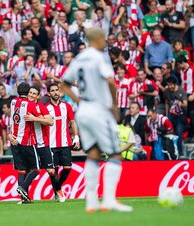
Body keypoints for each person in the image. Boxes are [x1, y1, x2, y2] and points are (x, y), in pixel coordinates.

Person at [61, 27, 133, 212]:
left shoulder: (80, 58)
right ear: (98, 39)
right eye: (103, 39)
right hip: (99, 109)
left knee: (93, 153)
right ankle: (109, 199)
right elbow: (110, 81)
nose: (105, 42)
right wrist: (115, 106)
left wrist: (80, 101)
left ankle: (91, 201)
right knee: (115, 153)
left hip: (84, 110)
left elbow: (64, 84)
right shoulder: (100, 56)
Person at [23, 86, 64, 202]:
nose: (31, 95)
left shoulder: (41, 107)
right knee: (29, 169)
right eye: (30, 93)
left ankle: (58, 191)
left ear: (38, 96)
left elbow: (50, 121)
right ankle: (23, 196)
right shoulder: (23, 107)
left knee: (50, 171)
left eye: (34, 93)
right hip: (30, 145)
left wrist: (34, 118)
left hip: (43, 144)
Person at [46, 83, 80, 202]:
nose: (55, 92)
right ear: (48, 93)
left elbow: (72, 122)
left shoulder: (67, 106)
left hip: (65, 143)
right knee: (53, 171)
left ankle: (56, 189)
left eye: (57, 90)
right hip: (51, 144)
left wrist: (76, 137)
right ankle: (59, 192)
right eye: (53, 90)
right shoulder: (46, 108)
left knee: (67, 168)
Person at [9, 82, 43, 204]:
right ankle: (22, 187)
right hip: (26, 141)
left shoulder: (13, 102)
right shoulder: (30, 104)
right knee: (37, 168)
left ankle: (24, 199)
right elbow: (43, 119)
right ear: (28, 92)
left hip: (14, 140)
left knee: (22, 170)